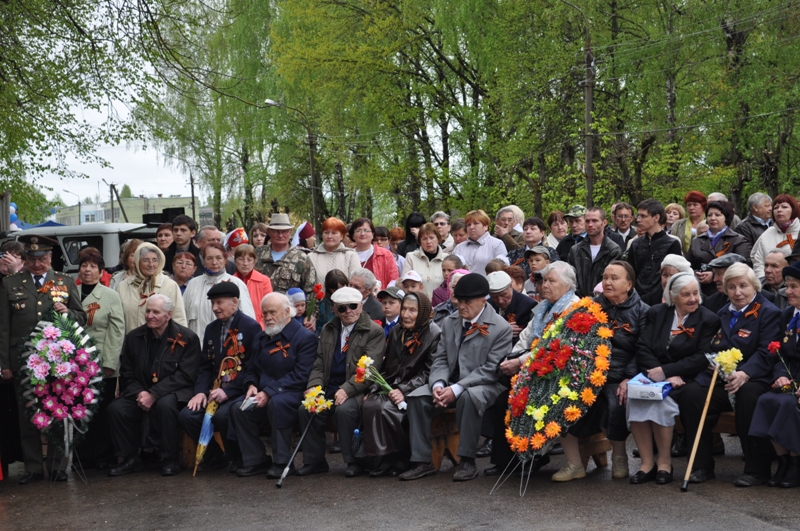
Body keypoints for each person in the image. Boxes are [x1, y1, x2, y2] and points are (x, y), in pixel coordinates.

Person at [399, 273, 511, 482]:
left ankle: (467, 460)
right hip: (449, 382)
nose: (461, 306)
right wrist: (438, 384)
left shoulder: (500, 327)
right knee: (417, 397)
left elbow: (491, 369)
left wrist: (457, 388)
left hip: (484, 384)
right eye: (459, 301)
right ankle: (422, 461)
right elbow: (440, 358)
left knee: (470, 398)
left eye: (467, 302)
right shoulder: (450, 323)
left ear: (483, 300)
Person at [678, 263, 781, 485]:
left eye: (743, 286)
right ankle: (701, 465)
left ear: (754, 286)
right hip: (720, 378)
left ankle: (757, 469)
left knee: (749, 396)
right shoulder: (721, 313)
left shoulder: (769, 313)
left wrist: (745, 373)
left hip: (754, 379)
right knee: (691, 394)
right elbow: (709, 345)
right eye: (731, 287)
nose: (738, 292)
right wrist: (711, 361)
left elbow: (767, 352)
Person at [0, 234, 87, 484]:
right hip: (23, 359)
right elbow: (4, 327)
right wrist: (5, 364)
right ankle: (33, 467)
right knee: (28, 414)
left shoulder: (65, 281)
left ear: (50, 258)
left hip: (57, 360)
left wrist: (68, 312)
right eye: (33, 259)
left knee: (58, 411)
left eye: (43, 259)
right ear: (25, 260)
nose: (38, 264)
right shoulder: (10, 283)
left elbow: (81, 318)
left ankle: (58, 466)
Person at [486, 261, 579, 477]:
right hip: (532, 366)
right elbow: (527, 337)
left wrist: (520, 363)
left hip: (558, 371)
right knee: (503, 398)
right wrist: (513, 357)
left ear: (567, 285)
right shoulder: (543, 306)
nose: (544, 285)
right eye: (543, 280)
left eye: (551, 281)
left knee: (524, 399)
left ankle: (533, 456)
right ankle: (505, 460)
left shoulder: (574, 308)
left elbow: (554, 345)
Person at [628, 273, 720, 485]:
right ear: (673, 296)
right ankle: (646, 463)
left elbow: (702, 356)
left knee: (661, 402)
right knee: (636, 398)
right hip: (655, 375)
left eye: (696, 293)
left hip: (685, 379)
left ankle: (664, 463)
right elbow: (642, 346)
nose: (693, 299)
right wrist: (657, 372)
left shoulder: (708, 319)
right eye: (686, 294)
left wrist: (669, 371)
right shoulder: (657, 313)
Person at [107, 294, 202, 477]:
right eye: (148, 311)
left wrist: (154, 394)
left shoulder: (187, 338)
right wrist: (140, 393)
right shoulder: (134, 337)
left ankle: (170, 458)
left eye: (156, 312)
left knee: (165, 406)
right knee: (116, 409)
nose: (150, 315)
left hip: (174, 392)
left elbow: (185, 375)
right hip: (140, 391)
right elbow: (127, 372)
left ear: (168, 315)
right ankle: (130, 458)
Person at [296, 287, 385, 477]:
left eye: (353, 306)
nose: (349, 311)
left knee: (345, 410)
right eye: (342, 308)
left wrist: (347, 389)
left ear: (361, 306)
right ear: (335, 309)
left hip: (358, 389)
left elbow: (369, 370)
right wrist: (314, 386)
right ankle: (314, 461)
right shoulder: (329, 329)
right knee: (307, 408)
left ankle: (353, 461)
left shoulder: (374, 331)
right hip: (329, 385)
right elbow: (319, 362)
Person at [230, 293, 318, 478]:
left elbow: (301, 375)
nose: (268, 317)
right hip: (263, 391)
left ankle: (282, 461)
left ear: (287, 312)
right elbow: (251, 367)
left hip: (291, 392)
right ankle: (256, 459)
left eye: (272, 312)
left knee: (277, 404)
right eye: (264, 313)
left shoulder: (305, 338)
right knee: (239, 408)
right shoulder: (262, 337)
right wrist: (251, 384)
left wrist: (269, 392)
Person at [179, 283, 263, 473]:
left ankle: (237, 456)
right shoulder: (211, 329)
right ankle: (214, 456)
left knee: (224, 415)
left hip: (237, 390)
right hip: (214, 389)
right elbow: (205, 366)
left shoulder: (251, 327)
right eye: (212, 303)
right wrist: (200, 392)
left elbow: (252, 366)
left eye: (219, 302)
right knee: (188, 415)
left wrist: (228, 391)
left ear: (234, 302)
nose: (215, 307)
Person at [362, 292, 441, 477]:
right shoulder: (398, 330)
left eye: (412, 310)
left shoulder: (434, 333)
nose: (406, 314)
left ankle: (400, 458)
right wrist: (374, 387)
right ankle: (383, 458)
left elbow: (430, 372)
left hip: (414, 386)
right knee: (370, 403)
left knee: (387, 409)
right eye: (404, 309)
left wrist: (404, 390)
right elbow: (387, 365)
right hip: (394, 384)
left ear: (422, 312)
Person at [594, 261, 649, 479]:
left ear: (629, 284)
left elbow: (642, 349)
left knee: (617, 401)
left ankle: (619, 455)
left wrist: (629, 377)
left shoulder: (642, 310)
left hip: (623, 372)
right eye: (605, 277)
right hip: (593, 371)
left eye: (614, 278)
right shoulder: (592, 307)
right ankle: (575, 461)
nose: (607, 282)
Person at [750, 261, 800, 488]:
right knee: (766, 400)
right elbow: (780, 352)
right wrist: (780, 374)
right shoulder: (788, 314)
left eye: (794, 287)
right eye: (787, 286)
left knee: (788, 404)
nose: (787, 291)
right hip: (790, 377)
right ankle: (782, 461)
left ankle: (795, 461)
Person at [75, 247, 125, 470]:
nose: (88, 270)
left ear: (101, 271)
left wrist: (109, 363)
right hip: (74, 365)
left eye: (93, 266)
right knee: (78, 409)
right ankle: (82, 456)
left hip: (100, 363)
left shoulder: (110, 295)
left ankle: (103, 455)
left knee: (101, 412)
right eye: (84, 266)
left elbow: (116, 331)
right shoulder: (70, 293)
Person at [184, 242, 255, 337]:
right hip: (197, 346)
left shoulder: (237, 283)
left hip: (228, 346)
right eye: (209, 258)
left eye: (218, 258)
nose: (214, 262)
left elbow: (248, 319)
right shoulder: (193, 284)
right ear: (203, 260)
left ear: (225, 260)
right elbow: (183, 317)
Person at [118, 242, 187, 334]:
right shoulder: (123, 286)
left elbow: (179, 319)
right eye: (146, 260)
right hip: (133, 344)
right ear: (137, 262)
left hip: (162, 344)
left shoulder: (170, 285)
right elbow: (118, 321)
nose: (151, 264)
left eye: (155, 260)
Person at [687, 200, 752, 297]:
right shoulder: (697, 241)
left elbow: (744, 268)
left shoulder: (738, 240)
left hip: (729, 292)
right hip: (700, 291)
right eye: (709, 215)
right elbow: (687, 266)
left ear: (726, 217)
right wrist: (697, 273)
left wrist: (714, 275)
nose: (713, 218)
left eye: (717, 215)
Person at [627, 199, 683, 304]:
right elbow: (630, 274)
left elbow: (675, 277)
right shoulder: (635, 244)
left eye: (643, 216)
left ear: (656, 217)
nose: (638, 220)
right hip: (637, 301)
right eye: (638, 216)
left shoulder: (672, 244)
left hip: (662, 301)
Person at [255, 213, 317, 298]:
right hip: (259, 309)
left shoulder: (301, 258)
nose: (280, 235)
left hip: (290, 310)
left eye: (284, 231)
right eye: (276, 232)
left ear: (290, 232)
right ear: (269, 232)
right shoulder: (257, 254)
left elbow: (311, 292)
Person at [568, 207, 622, 297]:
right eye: (587, 221)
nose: (590, 224)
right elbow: (571, 279)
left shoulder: (613, 250)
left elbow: (612, 280)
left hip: (603, 303)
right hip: (578, 302)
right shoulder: (575, 250)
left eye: (594, 221)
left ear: (604, 222)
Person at [751, 194, 800, 279]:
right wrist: (763, 281)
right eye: (776, 207)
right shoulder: (767, 234)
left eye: (784, 207)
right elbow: (757, 261)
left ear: (794, 210)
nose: (779, 210)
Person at [487, 271, 536, 344]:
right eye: (494, 297)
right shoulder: (487, 305)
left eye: (504, 294)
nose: (500, 301)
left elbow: (523, 339)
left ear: (511, 286)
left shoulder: (528, 306)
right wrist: (502, 331)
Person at [453, 210, 508, 276]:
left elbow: (502, 272)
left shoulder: (497, 244)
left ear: (486, 226)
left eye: (476, 223)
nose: (471, 227)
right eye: (468, 225)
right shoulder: (459, 247)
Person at [349, 218, 399, 290]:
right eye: (358, 231)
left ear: (372, 235)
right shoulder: (348, 255)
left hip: (379, 299)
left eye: (366, 231)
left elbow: (393, 281)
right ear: (353, 235)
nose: (362, 234)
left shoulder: (385, 254)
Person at [309, 217, 360, 285]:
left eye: (334, 233)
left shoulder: (351, 256)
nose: (329, 236)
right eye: (326, 233)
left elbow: (356, 283)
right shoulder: (311, 256)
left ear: (342, 236)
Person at [402, 222, 449, 297]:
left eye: (431, 238)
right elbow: (404, 284)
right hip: (417, 305)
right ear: (420, 241)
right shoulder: (411, 257)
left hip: (440, 306)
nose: (428, 242)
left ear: (438, 239)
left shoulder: (447, 259)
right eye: (424, 239)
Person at [233, 244, 273, 328]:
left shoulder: (264, 281)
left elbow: (269, 307)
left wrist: (259, 328)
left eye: (249, 260)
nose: (245, 263)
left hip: (259, 328)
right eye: (241, 259)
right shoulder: (230, 281)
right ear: (235, 261)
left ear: (255, 261)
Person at [317, 269, 349, 334]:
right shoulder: (324, 305)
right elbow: (320, 326)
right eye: (335, 290)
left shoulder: (352, 301)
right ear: (329, 289)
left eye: (342, 289)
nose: (339, 292)